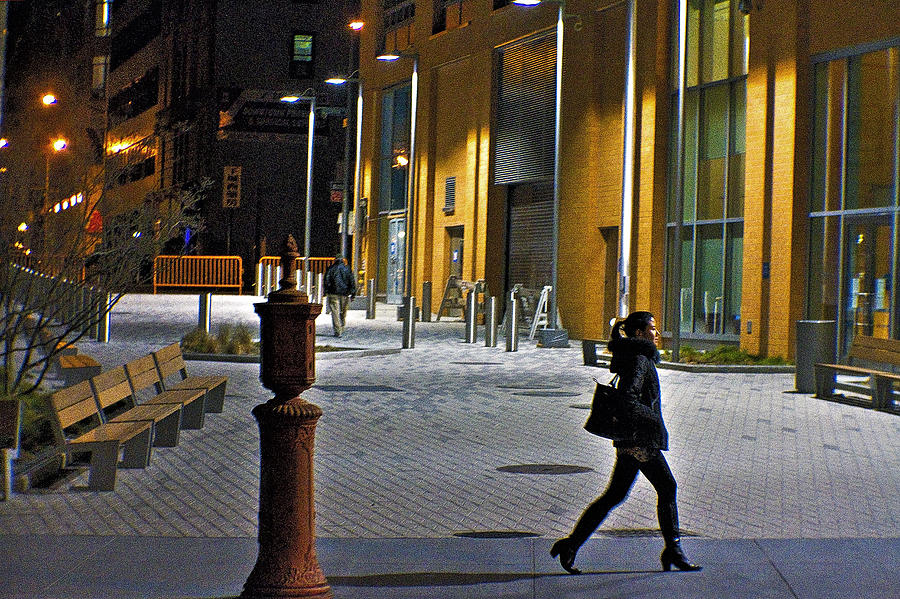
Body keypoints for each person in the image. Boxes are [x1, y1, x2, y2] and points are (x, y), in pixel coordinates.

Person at [550, 311, 701, 574]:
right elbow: (628, 400)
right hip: (639, 440)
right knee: (667, 486)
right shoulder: (639, 359)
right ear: (639, 333)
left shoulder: (633, 356)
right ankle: (673, 550)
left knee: (615, 494)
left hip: (631, 439)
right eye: (652, 329)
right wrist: (653, 420)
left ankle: (571, 545)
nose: (656, 333)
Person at [323, 254, 356, 337]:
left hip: (333, 293)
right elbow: (351, 281)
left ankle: (338, 331)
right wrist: (353, 294)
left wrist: (326, 291)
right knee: (343, 312)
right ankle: (342, 326)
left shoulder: (330, 269)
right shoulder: (347, 269)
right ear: (343, 260)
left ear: (335, 260)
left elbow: (326, 281)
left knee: (335, 312)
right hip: (345, 294)